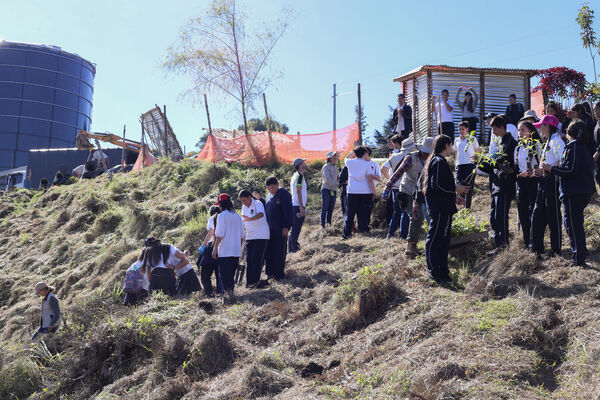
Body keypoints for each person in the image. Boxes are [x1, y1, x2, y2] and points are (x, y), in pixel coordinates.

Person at [542, 119, 596, 266]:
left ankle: (578, 258)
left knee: (572, 224)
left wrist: (551, 168)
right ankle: (581, 251)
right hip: (583, 190)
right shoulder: (584, 148)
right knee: (575, 223)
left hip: (574, 191)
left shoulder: (573, 148)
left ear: (569, 133)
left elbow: (570, 170)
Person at [423, 135, 469, 284]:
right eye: (451, 145)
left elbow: (440, 187)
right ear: (446, 145)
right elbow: (436, 185)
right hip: (439, 208)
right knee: (436, 238)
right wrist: (456, 188)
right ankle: (434, 271)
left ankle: (443, 270)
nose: (452, 148)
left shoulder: (439, 161)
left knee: (443, 240)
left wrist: (454, 197)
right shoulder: (438, 161)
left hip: (445, 206)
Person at [383, 137, 434, 258]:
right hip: (408, 191)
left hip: (421, 192)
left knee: (423, 216)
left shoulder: (432, 160)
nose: (427, 155)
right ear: (421, 150)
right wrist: (387, 188)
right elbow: (398, 173)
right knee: (416, 216)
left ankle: (414, 244)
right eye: (425, 153)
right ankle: (410, 246)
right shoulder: (411, 157)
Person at [479, 116, 518, 254]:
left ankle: (503, 246)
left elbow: (502, 164)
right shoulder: (500, 143)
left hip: (505, 185)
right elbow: (493, 167)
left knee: (501, 217)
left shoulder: (510, 143)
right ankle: (498, 244)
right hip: (496, 184)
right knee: (495, 217)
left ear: (502, 127)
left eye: (494, 129)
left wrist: (489, 161)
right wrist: (479, 162)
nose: (493, 132)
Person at [530, 115, 565, 258]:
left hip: (553, 181)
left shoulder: (557, 141)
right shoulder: (546, 142)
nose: (539, 129)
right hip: (543, 181)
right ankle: (537, 248)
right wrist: (539, 170)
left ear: (549, 126)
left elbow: (562, 163)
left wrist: (549, 168)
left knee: (553, 215)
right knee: (537, 214)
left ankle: (556, 249)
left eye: (542, 126)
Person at [211, 193, 244, 304]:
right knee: (231, 275)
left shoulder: (222, 216)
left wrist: (215, 248)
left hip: (225, 250)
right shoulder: (238, 216)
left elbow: (219, 235)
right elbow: (242, 236)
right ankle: (231, 296)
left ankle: (227, 298)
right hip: (235, 251)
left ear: (221, 205)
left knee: (224, 276)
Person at [514, 121, 541, 248]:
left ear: (530, 131)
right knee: (522, 212)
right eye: (519, 130)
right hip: (521, 182)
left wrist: (534, 173)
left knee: (532, 212)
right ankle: (526, 242)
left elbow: (542, 163)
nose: (520, 133)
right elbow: (515, 168)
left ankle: (534, 243)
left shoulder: (536, 145)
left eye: (523, 130)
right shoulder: (518, 147)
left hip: (534, 181)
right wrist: (520, 174)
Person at [382, 137, 416, 239]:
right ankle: (403, 235)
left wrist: (391, 179)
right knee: (405, 211)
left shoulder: (394, 156)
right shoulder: (411, 157)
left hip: (394, 187)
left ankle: (390, 234)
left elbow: (383, 169)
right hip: (406, 187)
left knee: (396, 211)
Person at [343, 146, 378, 239]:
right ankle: (363, 230)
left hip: (352, 191)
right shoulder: (367, 164)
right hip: (365, 191)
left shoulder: (349, 162)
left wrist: (353, 152)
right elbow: (370, 179)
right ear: (364, 154)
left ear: (355, 154)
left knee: (350, 213)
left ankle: (346, 233)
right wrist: (374, 192)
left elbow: (346, 157)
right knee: (363, 212)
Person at [264, 176, 294, 280]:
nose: (271, 190)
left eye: (273, 187)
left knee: (279, 252)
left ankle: (279, 274)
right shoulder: (268, 196)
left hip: (280, 228)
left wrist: (286, 226)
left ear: (277, 184)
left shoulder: (283, 193)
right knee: (270, 252)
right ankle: (270, 273)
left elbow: (288, 211)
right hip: (270, 229)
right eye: (269, 188)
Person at [239, 190, 270, 288]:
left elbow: (261, 214)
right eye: (241, 201)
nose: (243, 203)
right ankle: (249, 283)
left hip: (261, 235)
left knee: (256, 259)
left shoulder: (257, 203)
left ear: (249, 197)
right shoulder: (244, 206)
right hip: (250, 236)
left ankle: (256, 282)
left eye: (244, 200)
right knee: (249, 260)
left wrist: (250, 219)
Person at [453, 121, 480, 209]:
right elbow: (456, 153)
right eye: (459, 129)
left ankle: (467, 208)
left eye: (463, 129)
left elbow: (477, 150)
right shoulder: (456, 140)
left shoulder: (472, 139)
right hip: (460, 165)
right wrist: (455, 163)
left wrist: (476, 161)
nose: (461, 131)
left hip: (470, 164)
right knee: (460, 185)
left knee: (468, 187)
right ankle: (460, 206)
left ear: (467, 129)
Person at [198, 206, 223, 297]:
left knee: (205, 274)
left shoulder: (212, 218)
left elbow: (211, 232)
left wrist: (203, 245)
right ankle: (221, 293)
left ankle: (209, 293)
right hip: (222, 247)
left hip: (211, 246)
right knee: (219, 273)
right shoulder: (223, 218)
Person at [289, 158, 308, 252]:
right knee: (296, 230)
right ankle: (293, 249)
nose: (305, 164)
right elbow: (298, 190)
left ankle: (292, 248)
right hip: (297, 206)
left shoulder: (295, 175)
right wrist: (301, 207)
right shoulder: (299, 176)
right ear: (300, 165)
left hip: (295, 205)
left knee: (294, 229)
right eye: (304, 163)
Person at [321, 151, 339, 228]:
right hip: (326, 189)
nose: (335, 157)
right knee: (325, 207)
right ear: (329, 158)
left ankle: (328, 224)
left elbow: (337, 179)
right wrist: (339, 184)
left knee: (331, 208)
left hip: (334, 190)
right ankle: (323, 225)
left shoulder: (335, 168)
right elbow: (328, 180)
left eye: (335, 156)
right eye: (333, 156)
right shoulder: (326, 167)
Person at [593, 101, 600, 186]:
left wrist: (598, 152)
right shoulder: (597, 123)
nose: (595, 112)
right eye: (594, 110)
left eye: (596, 109)